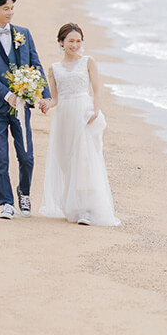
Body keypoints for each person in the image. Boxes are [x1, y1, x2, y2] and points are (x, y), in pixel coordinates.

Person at [0, 0, 50, 220]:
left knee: (26, 155)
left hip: (23, 105)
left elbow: (36, 64)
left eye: (12, 8)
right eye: (6, 9)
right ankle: (6, 202)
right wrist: (8, 95)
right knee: (0, 156)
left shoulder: (23, 34)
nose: (10, 13)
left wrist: (45, 95)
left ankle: (24, 192)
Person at [39, 23, 119, 226]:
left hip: (83, 114)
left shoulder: (88, 62)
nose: (75, 45)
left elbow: (97, 89)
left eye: (78, 41)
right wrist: (46, 104)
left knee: (84, 160)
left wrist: (96, 110)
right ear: (61, 42)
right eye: (70, 41)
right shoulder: (54, 68)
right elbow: (55, 99)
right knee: (67, 161)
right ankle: (72, 205)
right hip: (64, 117)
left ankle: (86, 209)